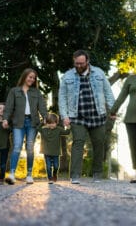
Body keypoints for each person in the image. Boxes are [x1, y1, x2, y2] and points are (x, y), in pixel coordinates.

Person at [58, 50, 115, 184]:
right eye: (76, 63)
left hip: (97, 115)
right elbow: (62, 98)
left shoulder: (99, 73)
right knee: (78, 142)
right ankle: (75, 175)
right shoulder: (67, 76)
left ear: (87, 61)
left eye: (81, 63)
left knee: (99, 143)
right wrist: (64, 116)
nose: (78, 66)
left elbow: (108, 92)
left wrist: (113, 110)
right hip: (77, 116)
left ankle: (97, 174)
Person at [3, 68, 48, 185]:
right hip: (18, 122)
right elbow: (8, 107)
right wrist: (5, 119)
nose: (32, 79)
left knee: (29, 147)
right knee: (17, 146)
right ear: (24, 77)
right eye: (30, 77)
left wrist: (45, 117)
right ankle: (12, 174)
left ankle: (29, 174)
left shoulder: (36, 92)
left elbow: (42, 107)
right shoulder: (14, 91)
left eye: (33, 78)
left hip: (32, 123)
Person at [38, 113, 70, 184]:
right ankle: (50, 179)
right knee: (48, 166)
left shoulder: (59, 129)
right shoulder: (44, 130)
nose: (51, 125)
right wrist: (42, 123)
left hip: (56, 152)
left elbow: (67, 132)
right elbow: (38, 128)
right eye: (49, 123)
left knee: (56, 166)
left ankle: (55, 174)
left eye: (53, 123)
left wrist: (67, 126)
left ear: (56, 123)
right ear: (47, 123)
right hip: (46, 152)